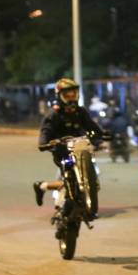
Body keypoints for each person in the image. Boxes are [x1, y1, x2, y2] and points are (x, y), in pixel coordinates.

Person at [32, 78, 103, 208]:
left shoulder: (80, 112)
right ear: (59, 96)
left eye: (73, 94)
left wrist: (100, 138)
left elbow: (94, 128)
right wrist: (45, 143)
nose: (71, 98)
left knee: (94, 180)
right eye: (67, 95)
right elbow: (45, 133)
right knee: (70, 179)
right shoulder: (53, 115)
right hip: (63, 153)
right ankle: (60, 204)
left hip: (83, 151)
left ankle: (43, 186)